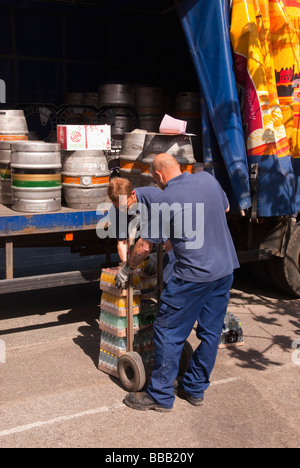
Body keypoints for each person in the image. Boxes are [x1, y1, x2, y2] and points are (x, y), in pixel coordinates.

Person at [115, 153, 239, 413]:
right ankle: (194, 389)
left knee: (167, 331)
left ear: (158, 176)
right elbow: (226, 208)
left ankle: (160, 395)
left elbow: (144, 245)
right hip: (224, 270)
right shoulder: (208, 179)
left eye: (154, 178)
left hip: (192, 276)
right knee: (210, 333)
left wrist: (128, 268)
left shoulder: (165, 199)